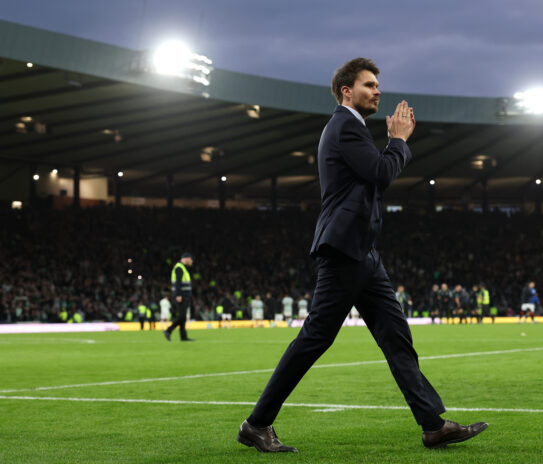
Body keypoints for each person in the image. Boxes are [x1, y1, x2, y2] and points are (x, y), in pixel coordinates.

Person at [237, 58, 487, 453]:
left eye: (377, 85)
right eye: (369, 85)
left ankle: (433, 425)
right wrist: (400, 140)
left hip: (363, 253)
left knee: (396, 336)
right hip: (344, 251)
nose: (378, 91)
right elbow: (382, 174)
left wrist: (393, 144)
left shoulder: (352, 128)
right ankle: (257, 423)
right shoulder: (344, 126)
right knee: (315, 339)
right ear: (346, 92)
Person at [163, 252, 195, 342]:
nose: (192, 262)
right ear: (187, 258)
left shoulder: (181, 268)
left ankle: (183, 336)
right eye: (191, 260)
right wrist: (178, 295)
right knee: (181, 316)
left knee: (183, 317)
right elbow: (178, 283)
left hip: (184, 295)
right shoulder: (179, 268)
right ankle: (168, 330)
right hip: (181, 296)